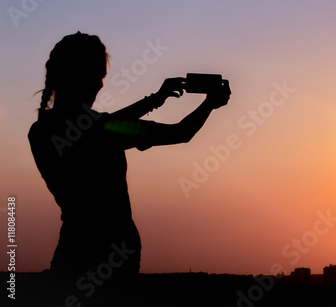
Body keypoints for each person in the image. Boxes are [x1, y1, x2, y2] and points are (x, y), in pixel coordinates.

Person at [28, 31, 230, 305]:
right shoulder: (100, 130)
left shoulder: (41, 130)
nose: (100, 85)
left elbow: (104, 124)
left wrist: (155, 99)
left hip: (72, 253)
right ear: (82, 78)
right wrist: (210, 103)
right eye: (98, 76)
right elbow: (180, 132)